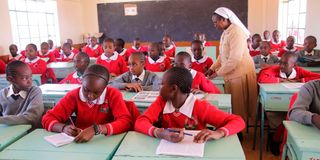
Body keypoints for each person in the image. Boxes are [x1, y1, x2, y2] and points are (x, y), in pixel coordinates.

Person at [134, 67, 245, 143]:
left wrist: (219, 132)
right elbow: (140, 122)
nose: (159, 87)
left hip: (195, 150)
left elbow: (238, 121)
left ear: (173, 89)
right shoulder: (162, 101)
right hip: (167, 150)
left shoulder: (200, 107)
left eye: (162, 84)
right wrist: (159, 133)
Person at [42, 64, 132, 143]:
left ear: (105, 87)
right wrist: (64, 128)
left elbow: (125, 121)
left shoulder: (113, 94)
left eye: (96, 92)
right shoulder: (74, 95)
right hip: (80, 140)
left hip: (106, 140)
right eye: (86, 89)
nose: (90, 96)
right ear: (82, 81)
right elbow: (47, 118)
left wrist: (96, 129)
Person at [206, 7, 257, 122]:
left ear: (223, 19)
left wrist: (217, 73)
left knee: (239, 106)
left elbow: (234, 59)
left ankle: (239, 133)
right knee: (233, 104)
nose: (214, 25)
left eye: (215, 22)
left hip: (240, 72)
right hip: (231, 72)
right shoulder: (225, 32)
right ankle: (235, 127)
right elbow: (222, 55)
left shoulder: (236, 32)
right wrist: (212, 68)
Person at [0, 61, 44, 127]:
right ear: (11, 79)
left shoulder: (34, 91)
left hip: (29, 132)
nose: (30, 81)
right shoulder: (2, 94)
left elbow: (32, 117)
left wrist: (2, 120)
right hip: (8, 132)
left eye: (30, 77)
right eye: (24, 78)